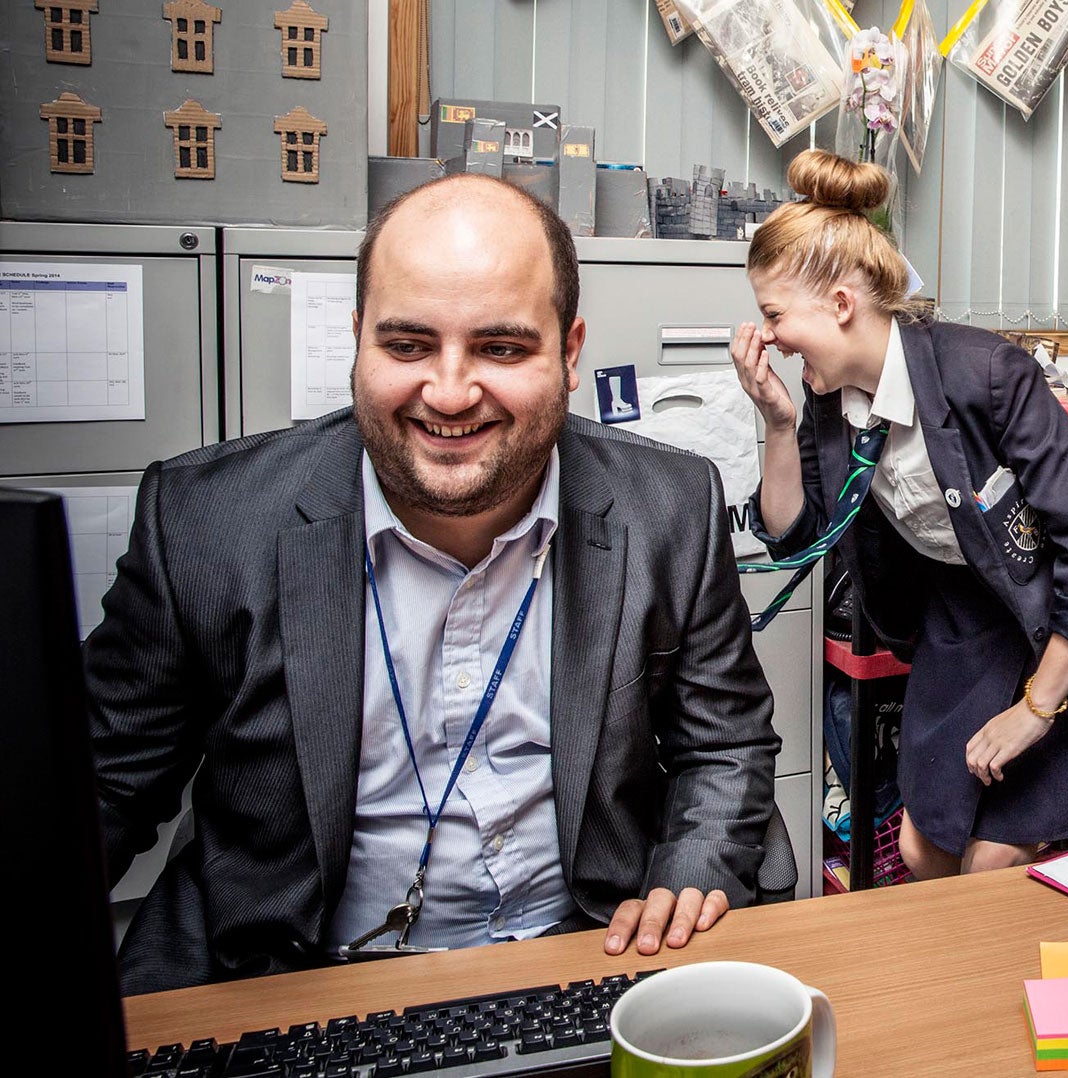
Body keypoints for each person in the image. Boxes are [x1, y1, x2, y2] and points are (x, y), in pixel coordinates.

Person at [86, 175, 783, 993]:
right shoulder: (208, 525)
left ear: (570, 350)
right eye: (408, 345)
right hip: (297, 981)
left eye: (501, 347)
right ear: (358, 339)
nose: (449, 394)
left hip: (584, 962)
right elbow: (99, 785)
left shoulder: (668, 507)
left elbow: (723, 743)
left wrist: (687, 873)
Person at [730, 150, 1068, 879]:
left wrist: (1036, 707)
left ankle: (995, 983)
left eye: (774, 315)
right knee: (926, 846)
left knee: (995, 858)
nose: (766, 336)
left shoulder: (986, 375)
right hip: (966, 627)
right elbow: (795, 534)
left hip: (1064, 623)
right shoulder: (829, 402)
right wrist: (775, 423)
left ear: (840, 304)